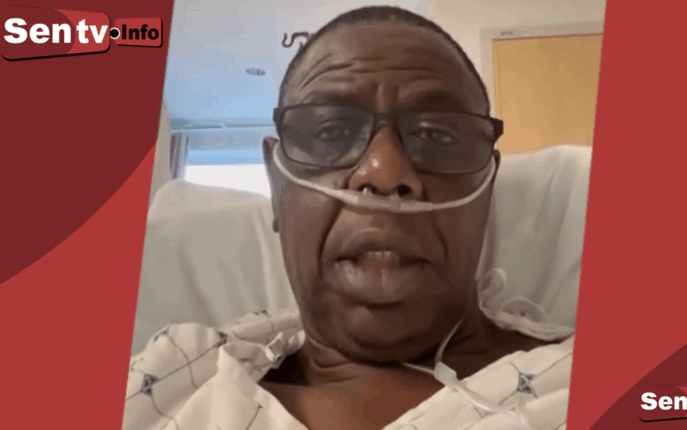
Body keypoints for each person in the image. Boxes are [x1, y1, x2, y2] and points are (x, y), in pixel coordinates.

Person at [122, 6, 575, 430]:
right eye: (331, 131)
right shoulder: (171, 380)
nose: (384, 173)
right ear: (277, 189)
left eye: (437, 135)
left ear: (486, 188)